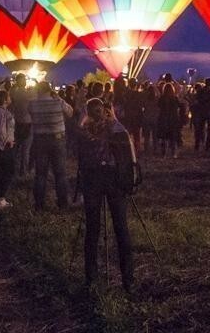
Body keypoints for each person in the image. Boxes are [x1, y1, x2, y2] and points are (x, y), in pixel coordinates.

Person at [75, 98, 134, 291]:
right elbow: (127, 151)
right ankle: (128, 278)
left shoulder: (83, 132)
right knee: (121, 227)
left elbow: (80, 158)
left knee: (93, 229)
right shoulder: (116, 129)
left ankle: (91, 276)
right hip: (114, 180)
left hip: (92, 181)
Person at [28, 81, 72, 211]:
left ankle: (39, 204)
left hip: (40, 140)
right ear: (50, 90)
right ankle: (63, 203)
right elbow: (70, 112)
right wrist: (58, 97)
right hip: (57, 139)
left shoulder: (32, 104)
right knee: (60, 173)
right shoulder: (58, 102)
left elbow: (30, 112)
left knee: (40, 173)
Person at [0, 90, 16, 211]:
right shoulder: (2, 113)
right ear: (5, 100)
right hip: (3, 148)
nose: (10, 97)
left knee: (1, 173)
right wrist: (7, 141)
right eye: (9, 96)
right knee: (7, 172)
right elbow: (0, 130)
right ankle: (0, 199)